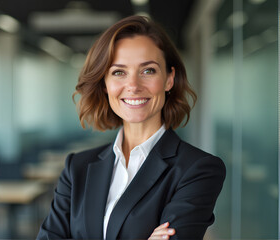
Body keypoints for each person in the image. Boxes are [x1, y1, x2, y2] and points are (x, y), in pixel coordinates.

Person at [37, 15, 226, 240]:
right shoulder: (77, 168)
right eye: (119, 72)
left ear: (169, 79)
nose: (133, 86)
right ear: (105, 84)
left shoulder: (198, 170)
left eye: (148, 71)